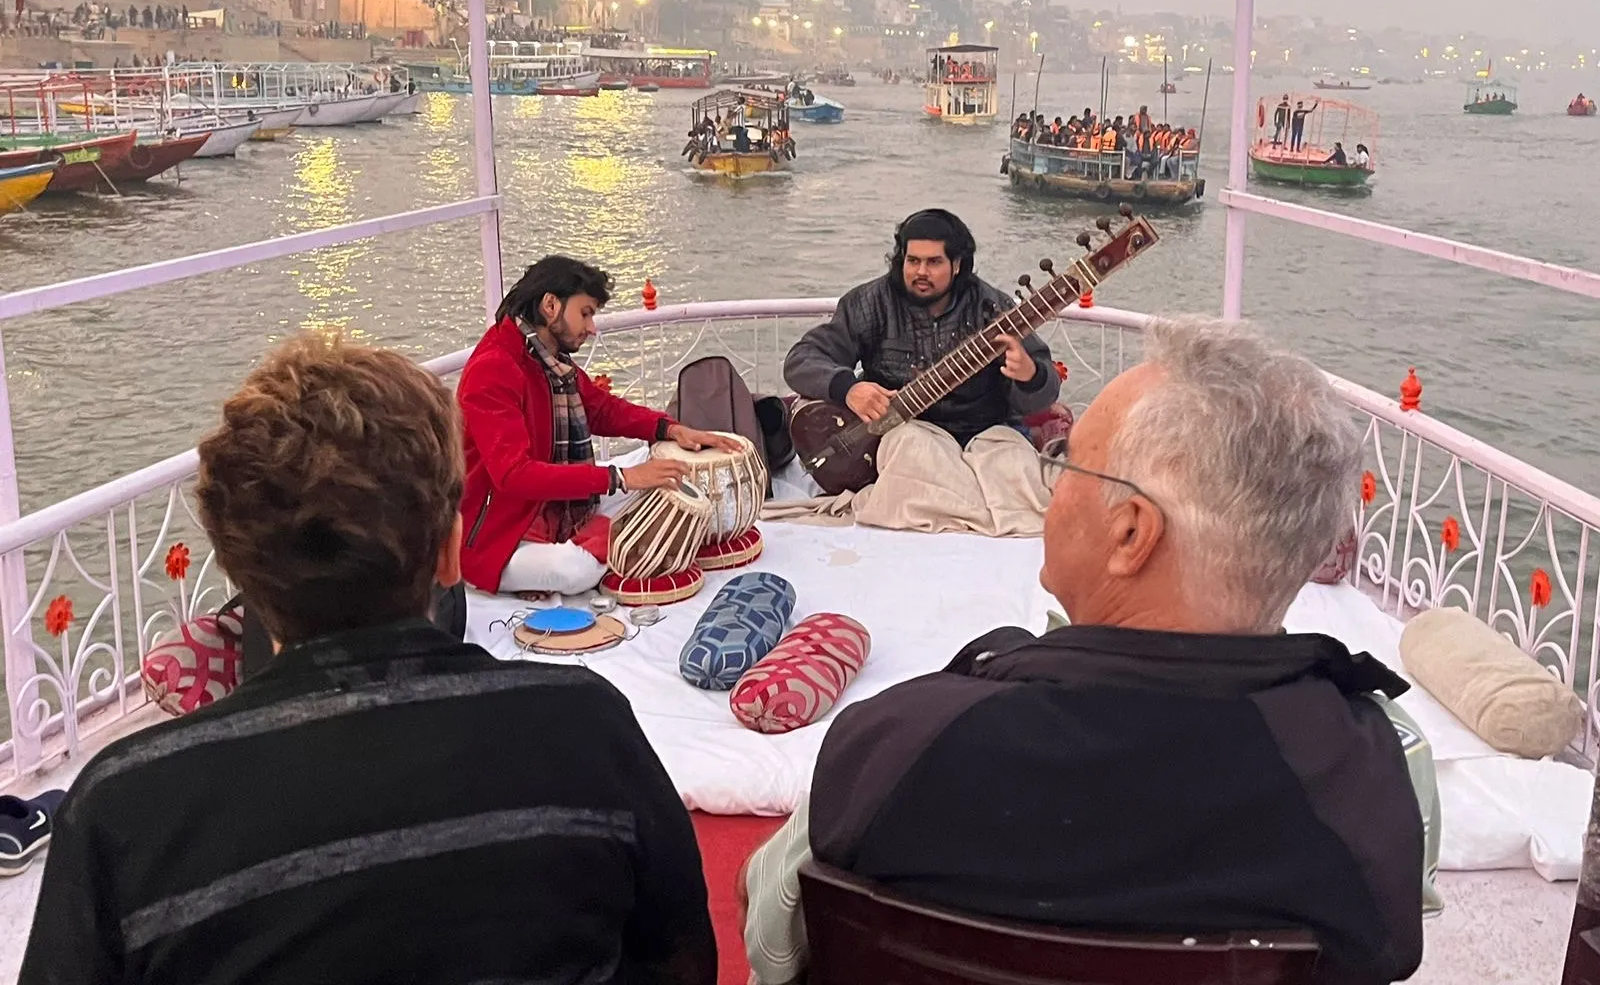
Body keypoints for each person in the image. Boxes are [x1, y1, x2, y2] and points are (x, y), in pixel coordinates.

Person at [745, 317, 1436, 985]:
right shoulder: (1380, 770)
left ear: (1132, 534)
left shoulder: (901, 742)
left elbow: (772, 944)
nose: (1053, 485)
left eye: (1068, 462)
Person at [20, 334, 717, 985]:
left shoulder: (123, 808)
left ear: (240, 571)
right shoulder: (584, 727)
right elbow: (683, 963)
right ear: (450, 552)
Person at [457, 256, 738, 596]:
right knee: (573, 571)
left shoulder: (547, 359)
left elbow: (601, 409)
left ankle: (600, 536)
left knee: (668, 478)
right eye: (586, 313)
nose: (592, 328)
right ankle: (612, 539)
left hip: (554, 508)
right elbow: (514, 476)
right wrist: (618, 479)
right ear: (550, 305)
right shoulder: (494, 369)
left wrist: (669, 429)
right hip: (501, 534)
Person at [783, 209, 1059, 450]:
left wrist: (1030, 376)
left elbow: (1041, 395)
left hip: (983, 433)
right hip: (905, 438)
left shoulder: (993, 307)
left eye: (934, 262)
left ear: (957, 265)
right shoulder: (872, 303)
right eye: (913, 261)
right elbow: (801, 360)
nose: (921, 272)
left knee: (1015, 474)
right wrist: (848, 389)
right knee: (912, 455)